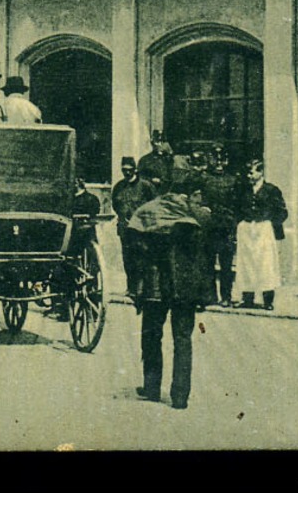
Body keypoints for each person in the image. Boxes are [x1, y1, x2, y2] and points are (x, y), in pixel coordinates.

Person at [128, 169, 213, 409]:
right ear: (190, 192)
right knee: (183, 339)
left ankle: (152, 388)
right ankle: (180, 396)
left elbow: (133, 246)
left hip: (155, 286)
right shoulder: (198, 215)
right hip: (184, 288)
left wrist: (135, 284)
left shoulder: (147, 211)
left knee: (152, 335)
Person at [233, 159, 287, 310]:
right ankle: (247, 298)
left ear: (261, 172)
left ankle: (268, 300)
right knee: (246, 263)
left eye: (252, 172)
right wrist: (241, 223)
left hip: (264, 229)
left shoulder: (271, 190)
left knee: (266, 264)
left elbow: (282, 211)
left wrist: (269, 223)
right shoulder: (243, 190)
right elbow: (237, 208)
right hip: (246, 228)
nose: (249, 176)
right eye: (248, 172)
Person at [201, 146, 241, 307]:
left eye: (222, 160)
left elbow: (238, 204)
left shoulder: (233, 180)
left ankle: (226, 296)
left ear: (226, 161)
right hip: (209, 227)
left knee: (226, 265)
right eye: (215, 160)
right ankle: (209, 296)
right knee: (208, 263)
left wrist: (235, 225)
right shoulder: (204, 178)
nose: (219, 164)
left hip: (226, 227)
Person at [111, 157, 156, 301]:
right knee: (128, 259)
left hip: (142, 230)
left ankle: (141, 288)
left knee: (142, 259)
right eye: (124, 170)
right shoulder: (119, 187)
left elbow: (154, 204)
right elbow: (115, 204)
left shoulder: (146, 186)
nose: (127, 173)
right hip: (125, 230)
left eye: (130, 170)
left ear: (135, 169)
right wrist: (123, 217)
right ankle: (130, 288)